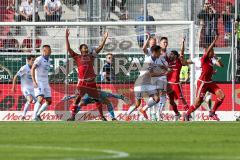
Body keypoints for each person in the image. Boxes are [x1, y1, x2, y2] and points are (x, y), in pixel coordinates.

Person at [65, 29, 109, 121]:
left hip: (91, 82)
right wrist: (66, 37)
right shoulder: (77, 57)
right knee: (77, 99)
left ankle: (101, 116)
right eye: (84, 47)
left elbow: (100, 47)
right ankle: (72, 116)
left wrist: (104, 38)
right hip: (82, 83)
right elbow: (68, 49)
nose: (86, 48)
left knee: (97, 99)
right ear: (80, 49)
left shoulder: (91, 56)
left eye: (86, 47)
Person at [184, 35, 225, 121]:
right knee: (199, 102)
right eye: (212, 51)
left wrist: (216, 58)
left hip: (209, 82)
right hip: (202, 83)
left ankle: (212, 112)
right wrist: (214, 41)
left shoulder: (211, 60)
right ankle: (187, 114)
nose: (213, 52)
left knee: (221, 95)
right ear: (207, 52)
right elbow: (186, 62)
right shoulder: (204, 58)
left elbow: (222, 65)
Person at [125, 45, 161, 121]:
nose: (160, 53)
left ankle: (143, 109)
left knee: (157, 98)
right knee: (137, 104)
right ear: (155, 52)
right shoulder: (149, 60)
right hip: (140, 83)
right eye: (159, 52)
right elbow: (152, 74)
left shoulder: (155, 60)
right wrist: (164, 73)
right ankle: (127, 115)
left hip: (148, 83)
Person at [62, 90, 129, 121]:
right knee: (80, 103)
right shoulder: (86, 94)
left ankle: (113, 118)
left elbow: (112, 95)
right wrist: (67, 97)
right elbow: (76, 95)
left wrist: (121, 97)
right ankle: (72, 117)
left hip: (97, 100)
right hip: (87, 100)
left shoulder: (102, 93)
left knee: (108, 102)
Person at [167, 38, 190, 113]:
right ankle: (177, 114)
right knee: (171, 101)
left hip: (176, 84)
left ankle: (188, 112)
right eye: (170, 54)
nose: (170, 55)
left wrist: (182, 43)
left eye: (171, 54)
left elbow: (182, 53)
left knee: (181, 98)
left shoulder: (179, 61)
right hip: (169, 84)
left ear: (175, 56)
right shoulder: (168, 61)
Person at [11, 55, 36, 120]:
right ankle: (23, 116)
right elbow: (15, 76)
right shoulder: (24, 68)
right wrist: (13, 87)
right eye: (32, 60)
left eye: (34, 60)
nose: (34, 61)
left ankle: (36, 116)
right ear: (28, 60)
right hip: (25, 88)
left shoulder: (35, 68)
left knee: (39, 102)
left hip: (33, 88)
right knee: (30, 100)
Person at [31, 45, 52, 121]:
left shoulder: (49, 60)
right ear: (44, 51)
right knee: (40, 98)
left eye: (50, 50)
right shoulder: (39, 59)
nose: (50, 51)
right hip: (39, 81)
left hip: (46, 82)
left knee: (49, 101)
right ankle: (34, 117)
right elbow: (33, 69)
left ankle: (38, 115)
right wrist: (34, 81)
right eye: (48, 50)